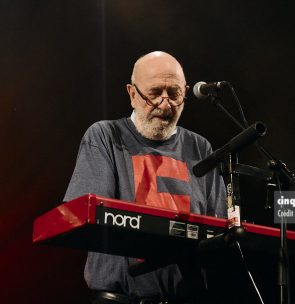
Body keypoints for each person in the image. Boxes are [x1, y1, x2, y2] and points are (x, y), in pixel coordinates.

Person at [64, 51, 227, 303]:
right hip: (123, 298)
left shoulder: (200, 147)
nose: (165, 104)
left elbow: (218, 229)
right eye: (154, 94)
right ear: (132, 94)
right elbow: (89, 217)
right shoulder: (105, 136)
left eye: (174, 94)